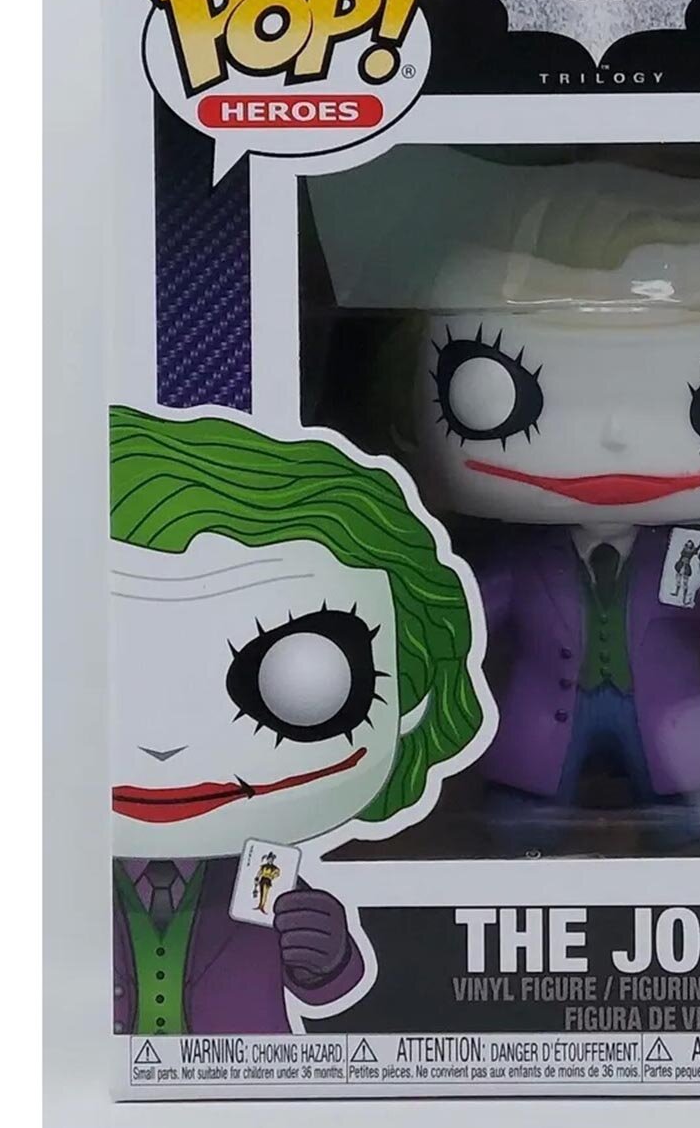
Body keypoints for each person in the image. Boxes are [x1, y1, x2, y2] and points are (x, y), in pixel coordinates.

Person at [408, 195, 700, 850]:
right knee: (519, 822)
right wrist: (431, 633)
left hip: (672, 732)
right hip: (540, 734)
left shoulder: (694, 556)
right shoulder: (523, 562)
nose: (616, 434)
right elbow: (465, 618)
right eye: (494, 393)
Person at [109, 405, 491, 1034]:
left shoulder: (268, 874)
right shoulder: (56, 876)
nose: (164, 747)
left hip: (252, 1083)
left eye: (304, 678)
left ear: (412, 699)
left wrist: (326, 955)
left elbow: (330, 985)